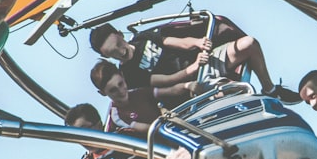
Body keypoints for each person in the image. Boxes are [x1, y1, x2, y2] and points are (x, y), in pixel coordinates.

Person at [90, 20, 300, 106]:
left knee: (249, 44)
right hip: (189, 86)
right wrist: (193, 68)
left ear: (120, 35)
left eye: (117, 44)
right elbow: (164, 80)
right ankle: (257, 107)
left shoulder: (143, 37)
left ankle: (270, 89)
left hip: (203, 63)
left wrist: (198, 42)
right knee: (229, 89)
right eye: (113, 53)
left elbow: (176, 42)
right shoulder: (129, 73)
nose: (120, 52)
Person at [90, 60, 195, 137]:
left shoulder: (137, 92)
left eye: (121, 84)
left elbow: (170, 91)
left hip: (170, 134)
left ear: (122, 76)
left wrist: (188, 86)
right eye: (113, 90)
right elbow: (150, 129)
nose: (121, 91)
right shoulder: (116, 116)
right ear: (103, 93)